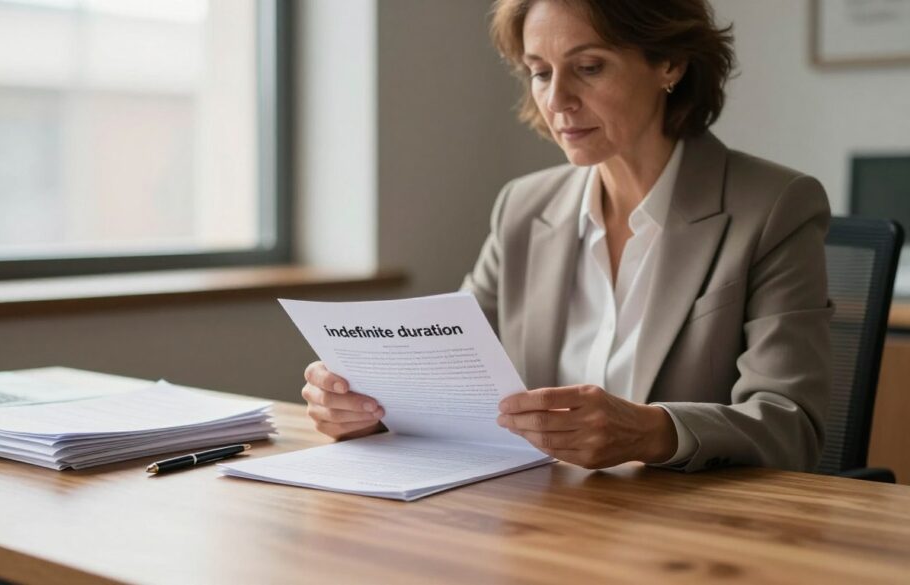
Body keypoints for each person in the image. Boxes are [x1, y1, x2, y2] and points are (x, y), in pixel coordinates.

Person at [300, 0, 832, 472]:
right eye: (539, 72)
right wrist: (368, 407)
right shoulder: (523, 207)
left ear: (669, 62)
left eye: (589, 67)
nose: (557, 99)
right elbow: (448, 373)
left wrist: (649, 431)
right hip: (545, 518)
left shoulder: (774, 207)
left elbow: (791, 426)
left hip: (691, 538)